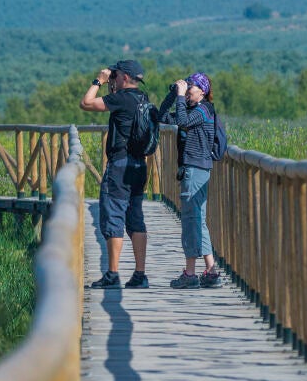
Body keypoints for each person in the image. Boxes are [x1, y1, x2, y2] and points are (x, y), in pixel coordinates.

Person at [79, 59, 151, 288]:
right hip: (139, 166)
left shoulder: (121, 99)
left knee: (114, 216)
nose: (113, 77)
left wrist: (98, 81)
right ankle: (140, 274)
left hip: (120, 165)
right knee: (135, 218)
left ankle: (112, 274)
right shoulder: (143, 99)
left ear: (125, 77)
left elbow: (86, 103)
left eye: (116, 75)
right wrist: (112, 86)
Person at [158, 72, 221, 288]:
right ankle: (211, 271)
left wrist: (179, 97)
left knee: (190, 221)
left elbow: (182, 121)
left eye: (190, 87)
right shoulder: (194, 110)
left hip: (195, 170)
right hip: (195, 169)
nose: (187, 91)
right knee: (198, 220)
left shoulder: (203, 110)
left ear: (202, 91)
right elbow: (161, 117)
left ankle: (190, 273)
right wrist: (173, 94)